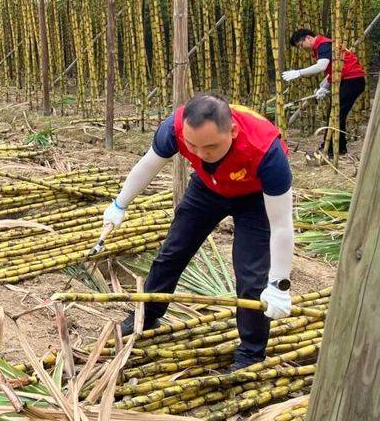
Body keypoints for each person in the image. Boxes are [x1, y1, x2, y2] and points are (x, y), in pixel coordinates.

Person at [96, 94, 294, 371]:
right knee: (172, 252)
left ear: (232, 132)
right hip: (207, 189)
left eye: (211, 147)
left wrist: (279, 285)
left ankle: (251, 354)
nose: (201, 154)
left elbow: (282, 225)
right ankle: (147, 314)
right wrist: (119, 205)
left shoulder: (266, 152)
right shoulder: (174, 128)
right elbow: (149, 165)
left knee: (251, 277)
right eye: (192, 146)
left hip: (255, 199)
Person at [283, 28, 366, 156]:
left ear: (308, 38)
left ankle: (332, 149)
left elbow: (321, 66)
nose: (302, 49)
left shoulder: (324, 45)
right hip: (348, 80)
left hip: (352, 80)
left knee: (335, 114)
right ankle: (338, 148)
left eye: (301, 45)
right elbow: (334, 69)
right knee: (336, 113)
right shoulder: (323, 46)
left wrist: (298, 72)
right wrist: (324, 87)